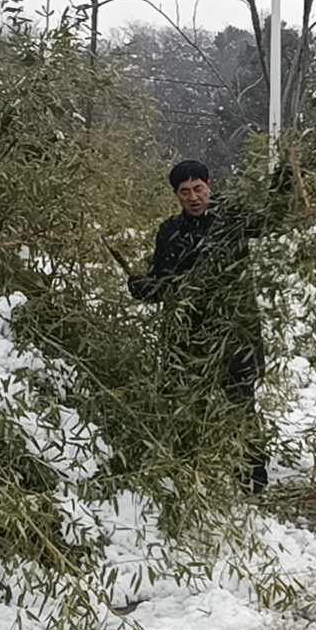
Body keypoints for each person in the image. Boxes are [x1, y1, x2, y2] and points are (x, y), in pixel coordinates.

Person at [128, 160, 269, 493]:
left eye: (198, 189)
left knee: (240, 407)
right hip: (188, 339)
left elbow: (271, 220)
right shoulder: (169, 231)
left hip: (235, 334)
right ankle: (192, 477)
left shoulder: (231, 220)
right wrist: (143, 287)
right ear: (176, 195)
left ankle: (252, 480)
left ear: (209, 186)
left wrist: (286, 183)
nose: (193, 197)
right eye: (185, 192)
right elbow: (163, 284)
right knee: (189, 409)